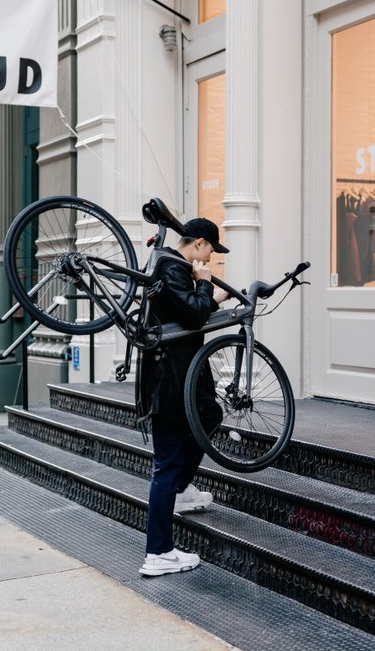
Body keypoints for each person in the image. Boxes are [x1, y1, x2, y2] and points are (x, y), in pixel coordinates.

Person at [136, 217, 229, 577]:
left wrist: (211, 299)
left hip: (177, 377)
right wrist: (204, 283)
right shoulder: (173, 266)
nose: (209, 260)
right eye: (210, 252)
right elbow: (192, 315)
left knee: (210, 415)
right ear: (200, 243)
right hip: (171, 380)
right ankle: (159, 552)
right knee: (167, 464)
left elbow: (185, 312)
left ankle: (181, 488)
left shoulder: (167, 265)